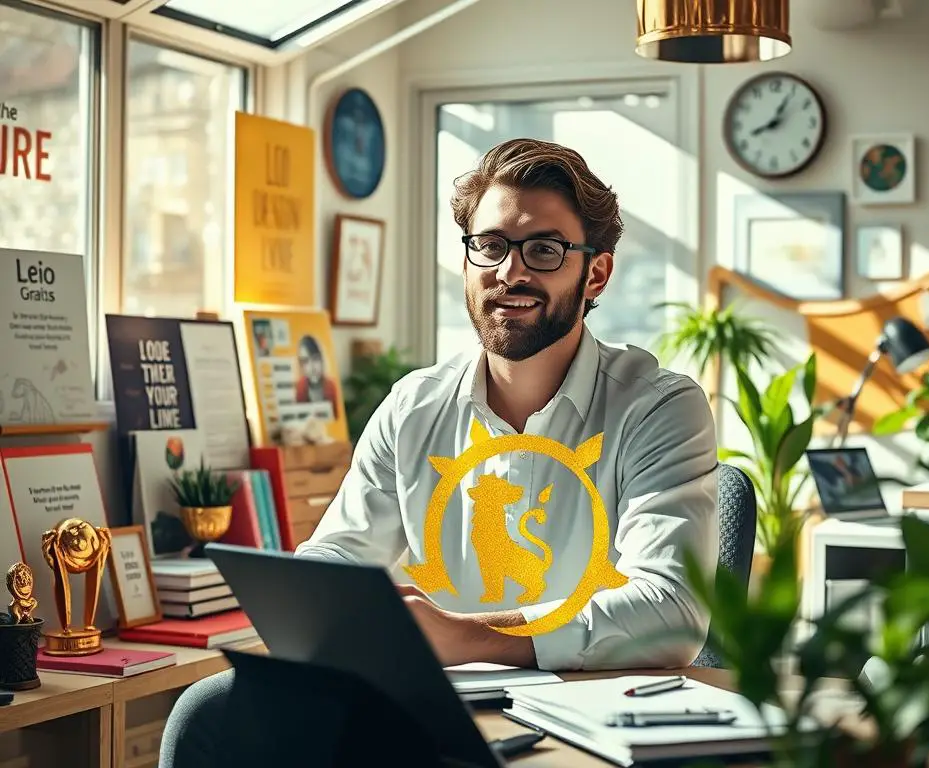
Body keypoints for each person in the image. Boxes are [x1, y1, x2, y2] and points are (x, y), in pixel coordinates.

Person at [159, 138, 719, 767]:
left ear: (595, 272)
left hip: (587, 709)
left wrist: (471, 637)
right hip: (425, 702)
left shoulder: (658, 408)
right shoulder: (414, 405)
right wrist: (339, 609)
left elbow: (670, 614)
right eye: (491, 245)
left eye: (544, 249)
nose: (511, 272)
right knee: (207, 712)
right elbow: (335, 558)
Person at [294, 334, 340, 418]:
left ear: (322, 359)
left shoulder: (332, 386)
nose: (311, 367)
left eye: (315, 359)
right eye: (305, 361)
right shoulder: (299, 387)